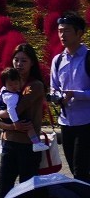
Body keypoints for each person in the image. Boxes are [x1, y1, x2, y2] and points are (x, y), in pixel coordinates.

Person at [0, 43, 47, 196]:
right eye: (16, 60)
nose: (19, 64)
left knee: (27, 192)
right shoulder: (8, 84)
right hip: (9, 144)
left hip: (27, 147)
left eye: (24, 61)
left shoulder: (35, 86)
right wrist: (6, 125)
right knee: (4, 191)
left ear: (32, 63)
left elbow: (14, 111)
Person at [50, 12, 90, 182]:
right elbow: (54, 88)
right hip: (66, 122)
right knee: (75, 170)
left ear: (79, 33)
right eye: (60, 31)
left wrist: (76, 95)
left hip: (87, 122)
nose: (62, 35)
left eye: (66, 31)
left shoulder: (89, 58)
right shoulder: (58, 60)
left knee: (80, 170)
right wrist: (57, 97)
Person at [0, 68, 50, 150]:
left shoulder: (4, 91)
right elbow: (11, 110)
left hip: (8, 120)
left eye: (16, 84)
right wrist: (15, 122)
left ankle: (1, 143)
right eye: (10, 85)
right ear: (5, 85)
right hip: (13, 117)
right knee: (28, 125)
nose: (14, 87)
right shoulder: (12, 96)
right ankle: (36, 143)